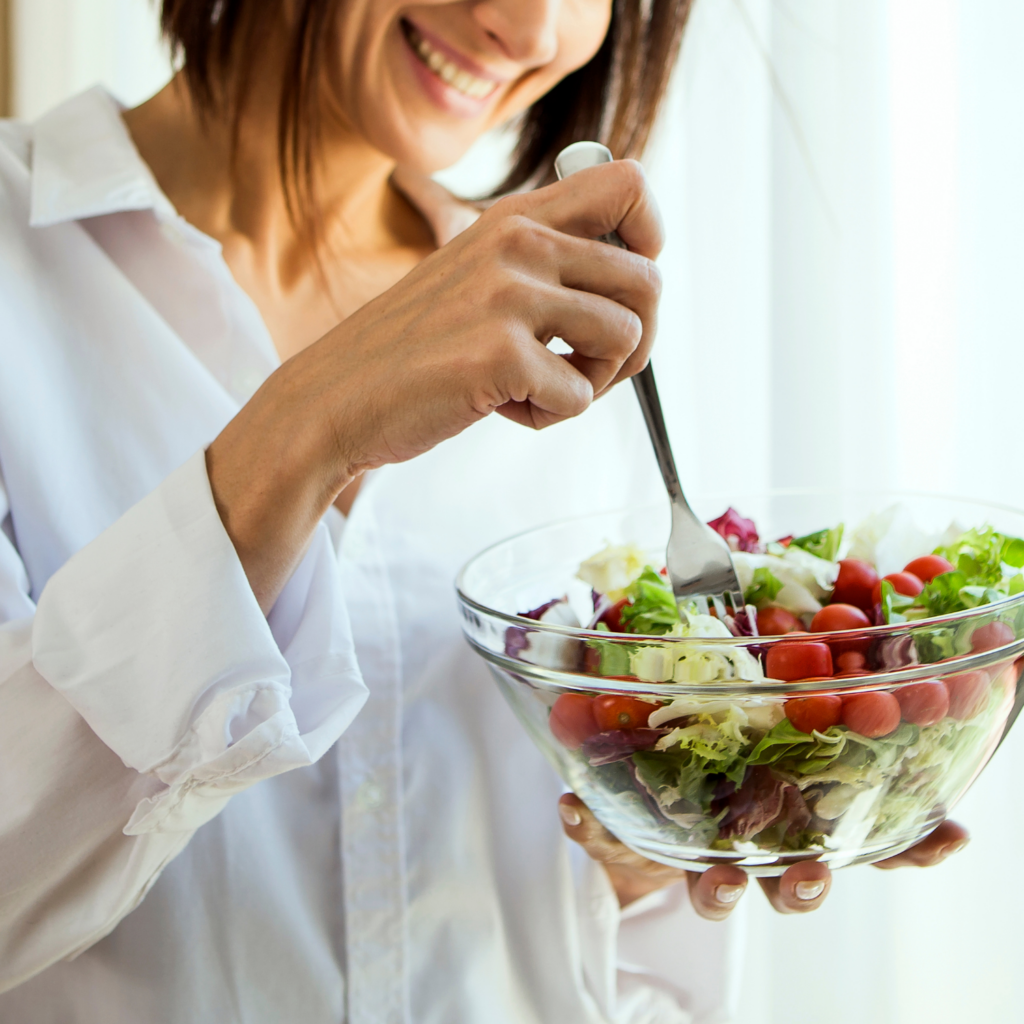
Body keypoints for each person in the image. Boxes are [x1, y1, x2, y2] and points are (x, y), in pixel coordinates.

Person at [0, 1, 967, 1020]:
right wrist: (308, 423)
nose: (528, 23)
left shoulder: (564, 335)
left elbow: (617, 977)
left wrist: (644, 855)